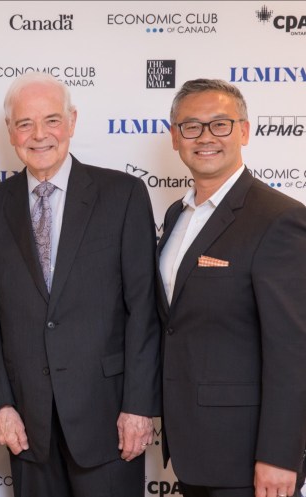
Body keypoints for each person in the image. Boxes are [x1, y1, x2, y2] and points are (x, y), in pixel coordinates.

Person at [0, 71, 161, 497]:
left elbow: (144, 310)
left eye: (51, 120)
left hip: (109, 419)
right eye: (25, 123)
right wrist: (1, 406)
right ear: (10, 131)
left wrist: (138, 406)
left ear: (72, 121)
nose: (39, 135)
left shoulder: (123, 195)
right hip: (27, 426)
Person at [157, 78, 306, 497]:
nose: (205, 137)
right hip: (191, 448)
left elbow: (293, 350)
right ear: (175, 138)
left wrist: (280, 456)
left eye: (220, 124)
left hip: (249, 457)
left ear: (244, 131)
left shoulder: (278, 218)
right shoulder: (176, 216)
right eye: (191, 126)